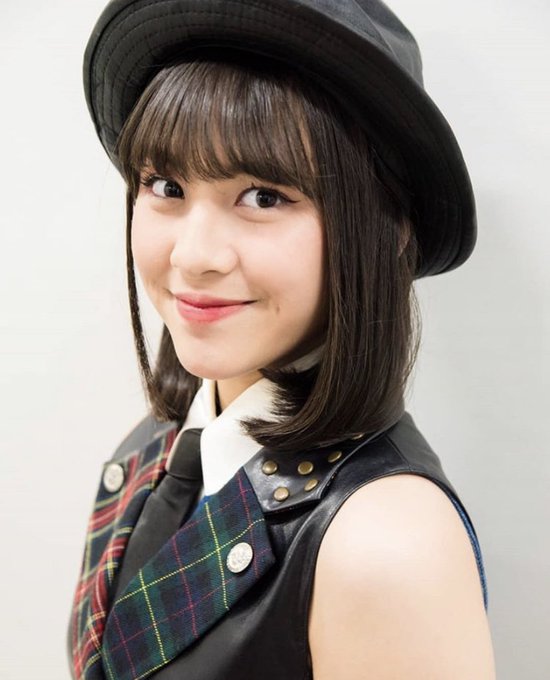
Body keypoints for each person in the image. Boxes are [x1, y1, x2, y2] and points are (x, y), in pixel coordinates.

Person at [68, 1, 496, 678]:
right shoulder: (155, 450)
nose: (194, 255)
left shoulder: (384, 544)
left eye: (263, 196)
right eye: (165, 185)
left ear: (389, 228)